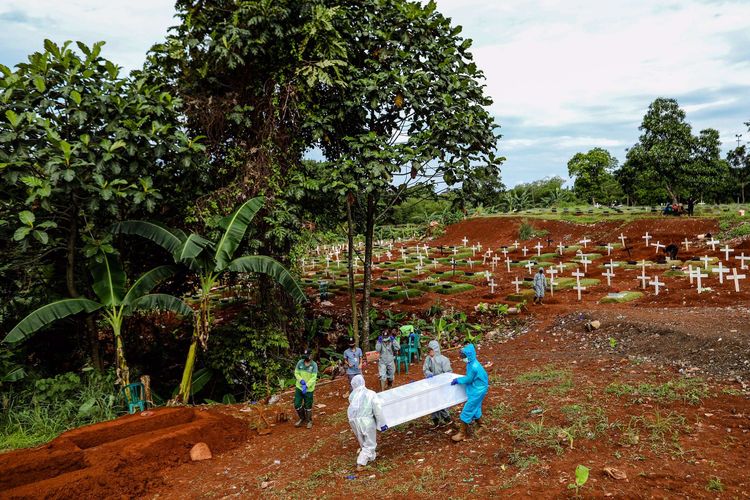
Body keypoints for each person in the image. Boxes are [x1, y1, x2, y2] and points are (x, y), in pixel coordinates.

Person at [347, 374, 388, 471]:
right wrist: (382, 423)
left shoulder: (352, 395)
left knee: (362, 441)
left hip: (353, 420)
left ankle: (371, 456)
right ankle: (360, 464)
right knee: (370, 442)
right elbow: (377, 409)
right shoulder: (371, 393)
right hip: (366, 421)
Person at [450, 344, 489, 442]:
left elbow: (469, 379)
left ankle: (462, 433)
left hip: (478, 390)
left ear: (469, 356)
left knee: (468, 409)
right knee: (476, 407)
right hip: (479, 388)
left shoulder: (473, 366)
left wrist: (458, 380)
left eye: (464, 357)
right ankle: (482, 426)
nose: (463, 359)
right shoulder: (472, 363)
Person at [423, 339, 453, 427]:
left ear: (435, 350)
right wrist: (428, 374)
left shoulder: (444, 360)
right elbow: (425, 369)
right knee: (433, 402)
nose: (429, 352)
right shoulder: (428, 359)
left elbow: (448, 372)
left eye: (431, 350)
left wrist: (441, 379)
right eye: (428, 350)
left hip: (441, 384)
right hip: (432, 384)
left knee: (440, 402)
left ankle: (446, 418)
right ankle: (435, 421)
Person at [293, 349, 318, 429]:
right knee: (297, 404)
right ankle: (302, 418)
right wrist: (301, 381)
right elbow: (296, 373)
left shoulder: (314, 365)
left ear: (311, 356)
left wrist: (306, 385)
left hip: (309, 389)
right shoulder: (300, 362)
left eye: (307, 356)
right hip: (299, 387)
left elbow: (314, 377)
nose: (305, 358)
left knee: (308, 405)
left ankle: (309, 420)